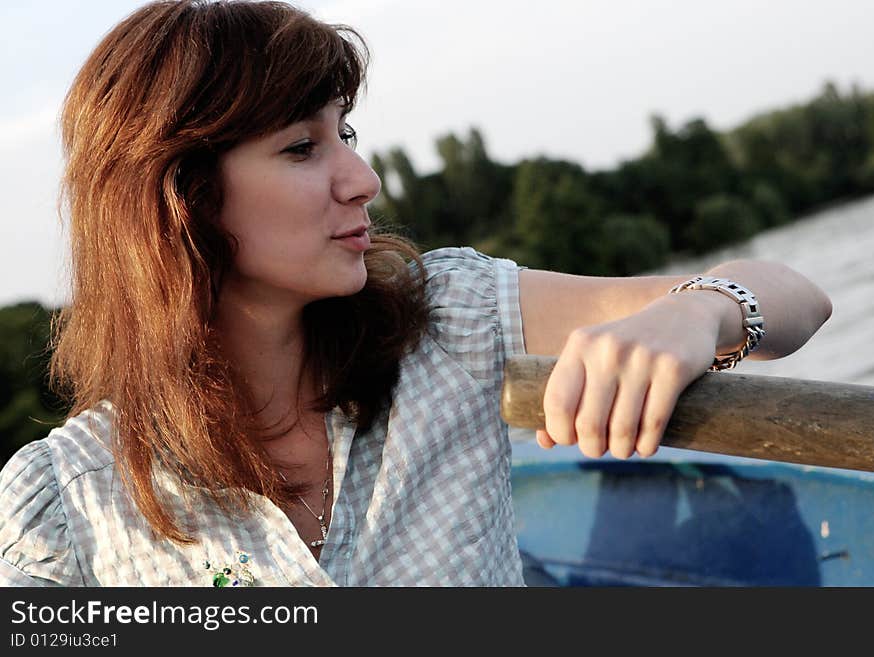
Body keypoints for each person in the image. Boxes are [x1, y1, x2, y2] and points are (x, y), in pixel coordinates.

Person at [0, 0, 831, 587]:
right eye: (301, 148)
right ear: (178, 200)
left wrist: (696, 312)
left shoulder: (448, 321)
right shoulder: (69, 510)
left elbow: (797, 297)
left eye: (345, 134)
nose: (362, 180)